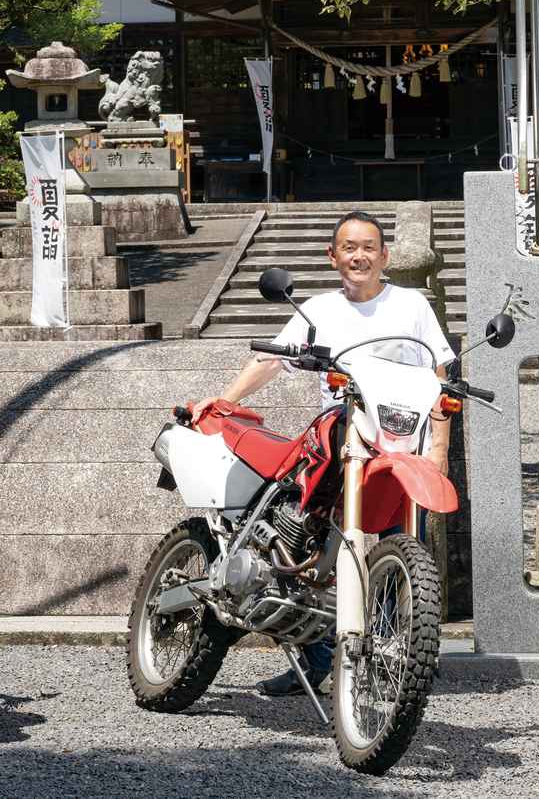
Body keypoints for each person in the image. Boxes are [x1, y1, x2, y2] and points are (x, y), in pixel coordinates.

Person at [190, 210, 454, 696]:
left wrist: (438, 450)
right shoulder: (319, 310)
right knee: (300, 544)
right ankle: (315, 659)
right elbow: (272, 358)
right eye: (349, 247)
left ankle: (403, 651)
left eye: (369, 247)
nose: (360, 255)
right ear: (332, 256)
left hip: (396, 440)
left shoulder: (412, 305)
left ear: (385, 255)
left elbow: (442, 378)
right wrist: (227, 399)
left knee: (401, 541)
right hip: (338, 436)